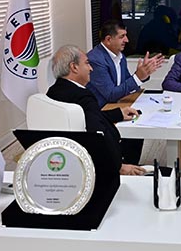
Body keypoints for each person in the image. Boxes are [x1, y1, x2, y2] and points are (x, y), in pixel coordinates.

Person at [46, 45, 146, 175]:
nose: (91, 68)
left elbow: (85, 116)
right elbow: (98, 135)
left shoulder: (53, 91)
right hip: (102, 168)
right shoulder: (83, 96)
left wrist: (118, 113)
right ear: (74, 67)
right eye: (87, 63)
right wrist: (119, 166)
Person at [87, 20, 164, 164]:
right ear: (108, 39)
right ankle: (123, 165)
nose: (127, 40)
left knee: (140, 121)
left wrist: (143, 74)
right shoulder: (96, 60)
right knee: (136, 125)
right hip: (102, 111)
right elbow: (111, 94)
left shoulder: (120, 56)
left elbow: (127, 83)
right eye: (122, 36)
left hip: (118, 105)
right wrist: (138, 77)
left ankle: (130, 164)